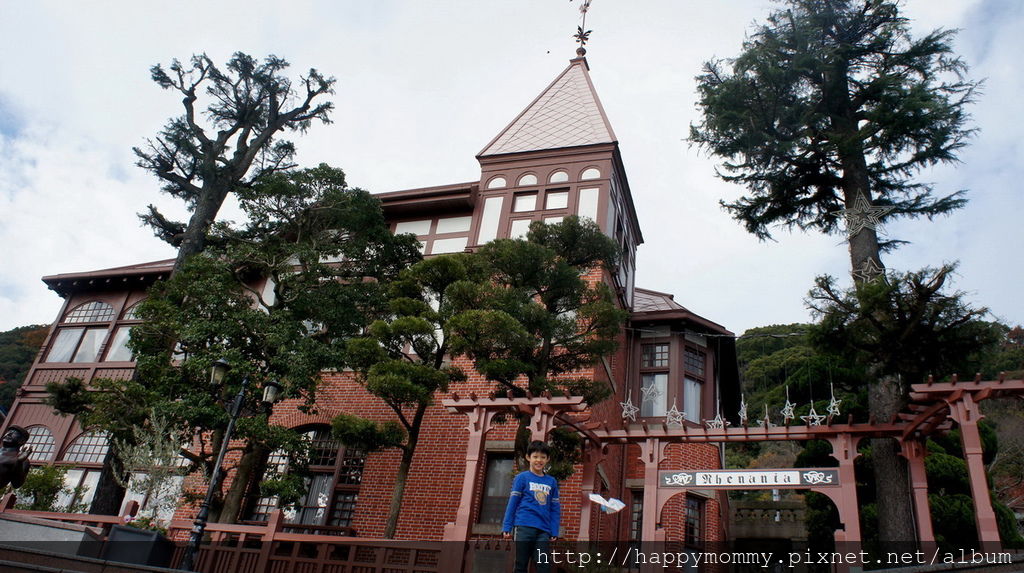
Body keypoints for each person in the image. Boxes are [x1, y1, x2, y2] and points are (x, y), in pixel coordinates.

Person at [502, 440, 560, 573]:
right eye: (535, 456)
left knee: (543, 565)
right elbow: (513, 503)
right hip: (523, 526)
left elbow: (555, 508)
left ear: (547, 459)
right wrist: (507, 526)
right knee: (521, 564)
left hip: (543, 530)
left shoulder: (551, 481)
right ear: (528, 457)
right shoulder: (522, 478)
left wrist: (554, 529)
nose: (539, 460)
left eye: (543, 457)